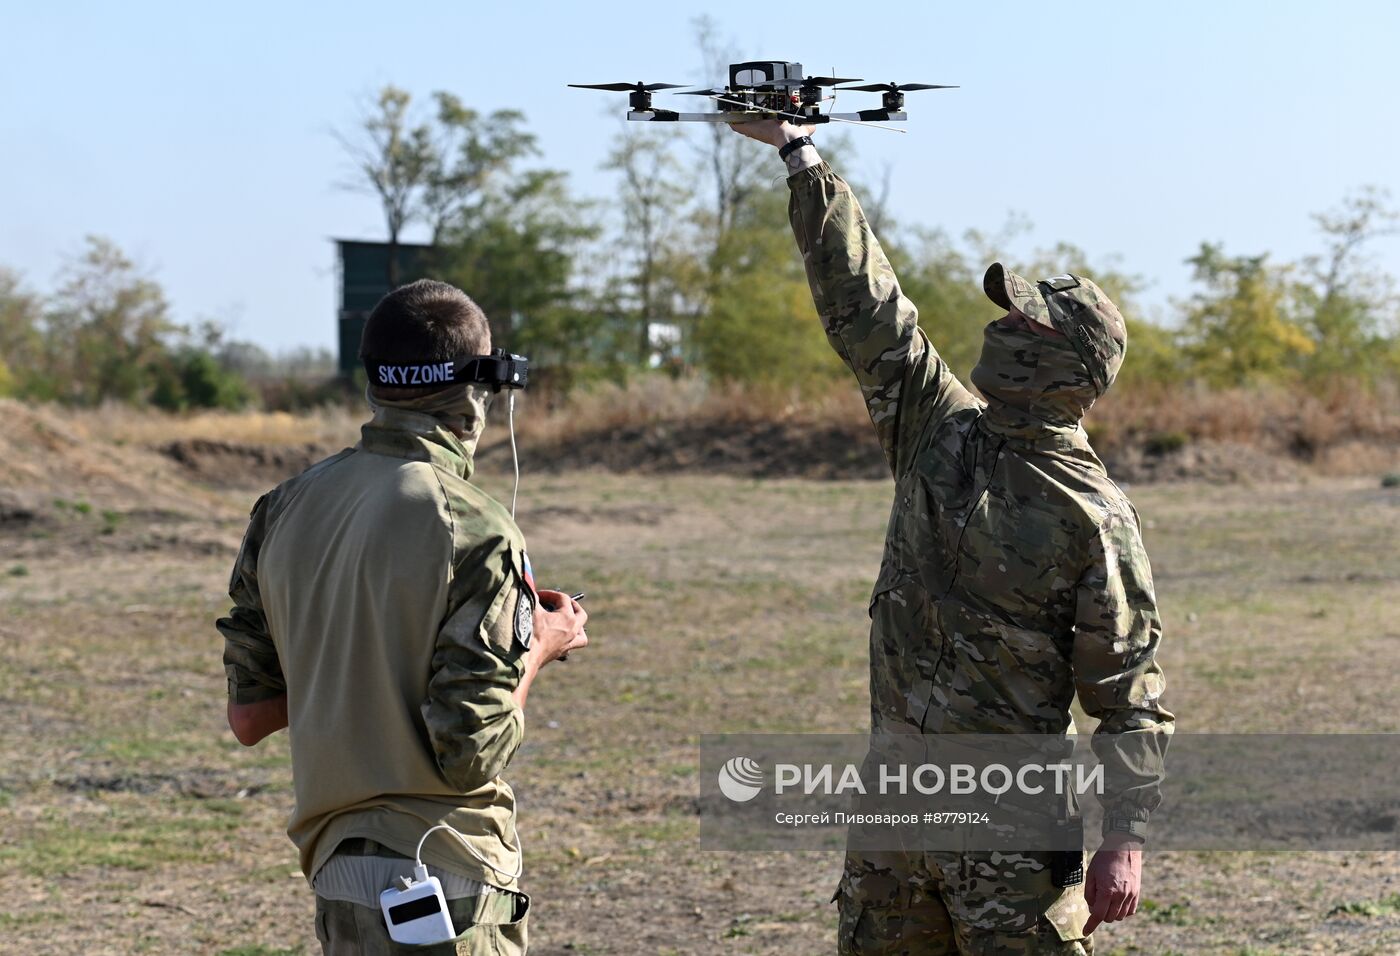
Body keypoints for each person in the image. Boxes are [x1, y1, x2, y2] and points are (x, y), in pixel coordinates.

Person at [731, 120, 1174, 955]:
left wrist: (1125, 837)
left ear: (1069, 369)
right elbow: (867, 308)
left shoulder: (1092, 514)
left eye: (1027, 323)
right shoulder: (939, 428)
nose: (1003, 325)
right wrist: (801, 157)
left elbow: (1128, 694)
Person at [217, 279, 588, 955]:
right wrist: (544, 643)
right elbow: (471, 752)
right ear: (478, 391)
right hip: (448, 881)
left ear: (374, 382)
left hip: (338, 875)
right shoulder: (476, 528)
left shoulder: (284, 507)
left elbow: (252, 717)